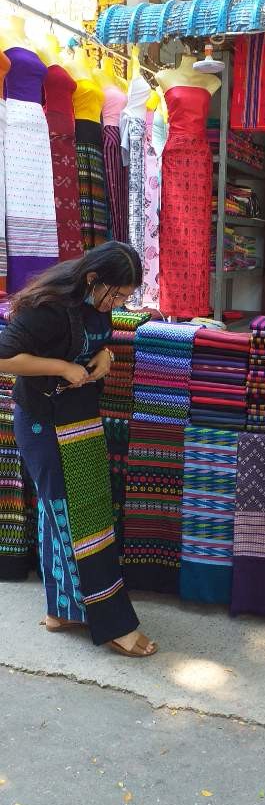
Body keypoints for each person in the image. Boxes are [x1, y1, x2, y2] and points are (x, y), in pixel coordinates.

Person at [0, 241, 157, 657]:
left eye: (125, 297)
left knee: (70, 513)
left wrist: (105, 356)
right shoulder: (48, 308)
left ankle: (62, 611)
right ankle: (114, 624)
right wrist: (62, 368)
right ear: (92, 279)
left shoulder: (95, 302)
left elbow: (94, 340)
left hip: (81, 418)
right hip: (44, 422)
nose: (118, 303)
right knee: (73, 516)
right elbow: (4, 357)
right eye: (116, 295)